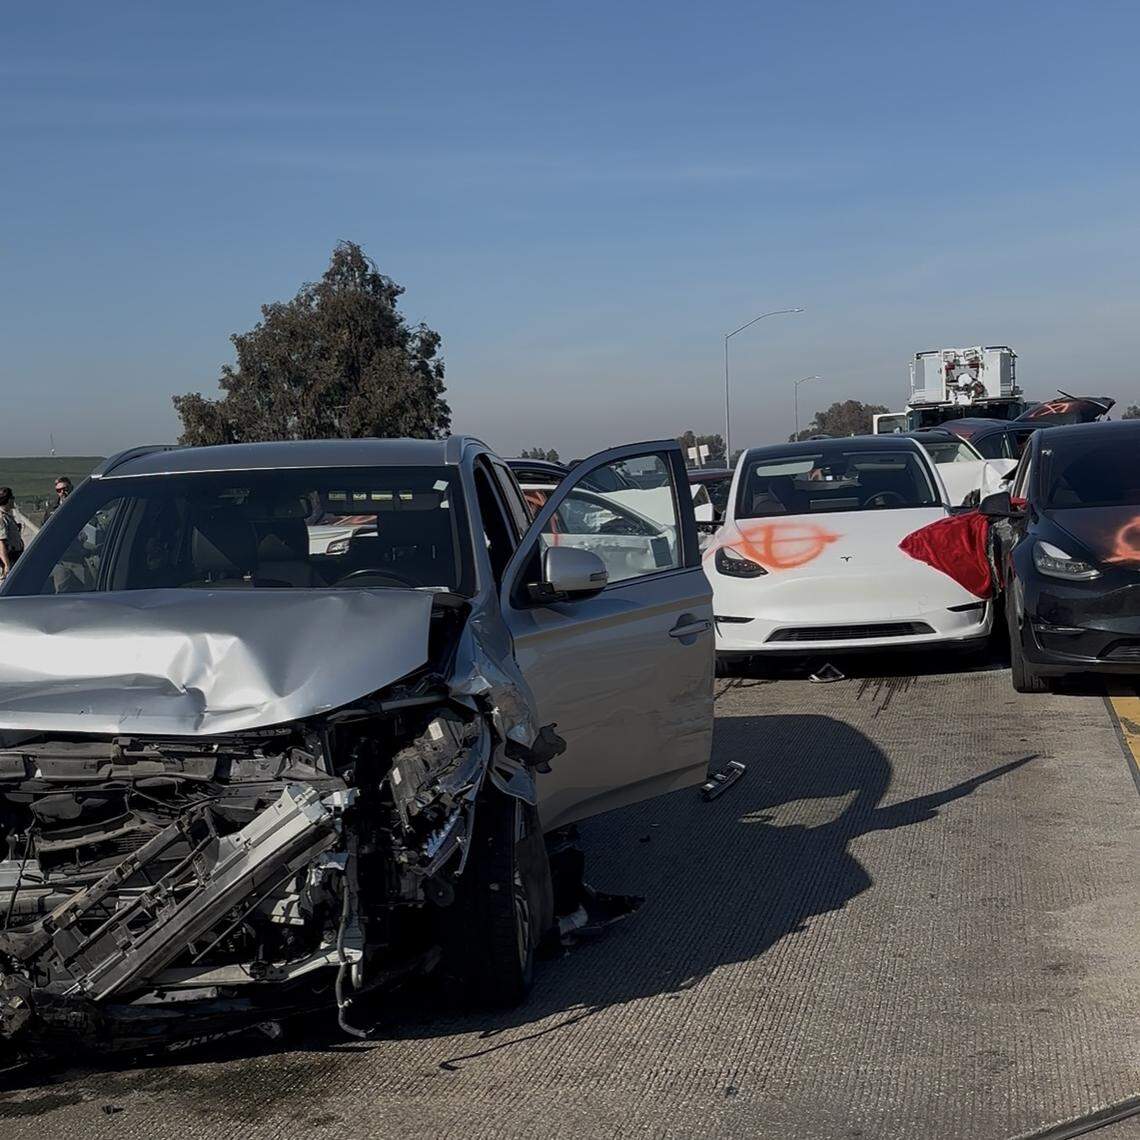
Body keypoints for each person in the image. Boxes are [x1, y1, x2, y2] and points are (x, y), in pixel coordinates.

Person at [0, 488, 25, 580]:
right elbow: (1, 543)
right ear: (8, 500)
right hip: (9, 560)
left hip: (15, 557)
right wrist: (7, 565)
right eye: (12, 498)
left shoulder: (8, 516)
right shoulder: (2, 518)